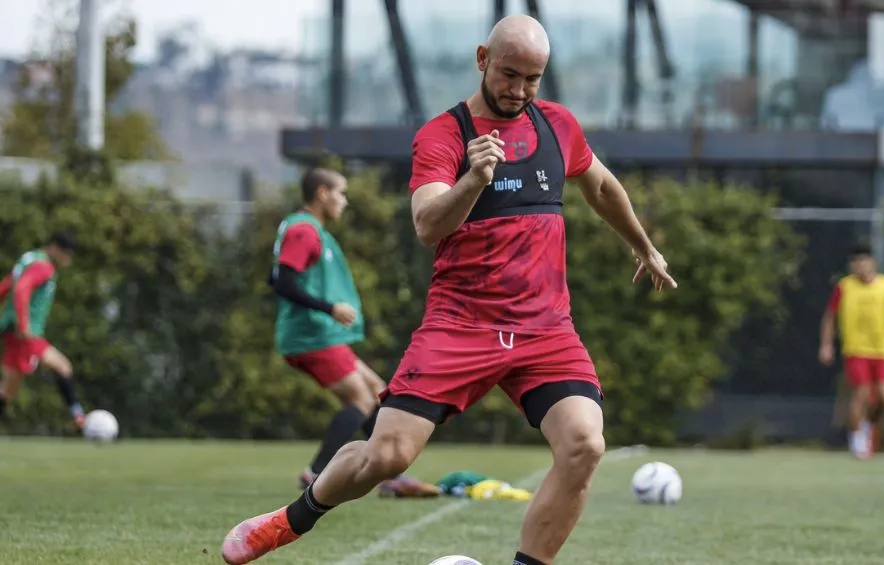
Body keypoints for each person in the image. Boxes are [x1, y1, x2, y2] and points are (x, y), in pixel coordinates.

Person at [220, 15, 675, 565]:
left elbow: (600, 184)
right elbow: (427, 224)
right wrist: (473, 180)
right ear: (483, 59)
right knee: (386, 456)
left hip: (545, 330)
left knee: (585, 445)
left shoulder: (557, 125)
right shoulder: (444, 135)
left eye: (534, 79)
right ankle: (288, 521)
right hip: (460, 326)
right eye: (510, 75)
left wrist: (643, 245)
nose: (520, 91)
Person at [269, 167, 386, 488]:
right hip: (312, 336)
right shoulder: (304, 231)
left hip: (320, 334)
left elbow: (275, 276)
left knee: (377, 391)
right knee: (361, 401)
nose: (344, 201)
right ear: (322, 193)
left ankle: (389, 471)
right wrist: (329, 308)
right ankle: (316, 473)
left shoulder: (304, 228)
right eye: (341, 193)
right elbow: (283, 282)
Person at [819, 242, 884, 459]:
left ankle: (869, 426)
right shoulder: (845, 287)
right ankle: (857, 437)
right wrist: (826, 344)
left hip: (882, 350)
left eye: (863, 260)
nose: (859, 265)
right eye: (855, 262)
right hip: (856, 350)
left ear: (873, 263)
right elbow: (830, 317)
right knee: (860, 393)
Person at [0, 231, 84, 428]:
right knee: (63, 367)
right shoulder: (44, 266)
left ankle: (78, 416)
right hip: (26, 333)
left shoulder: (29, 259)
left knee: (8, 389)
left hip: (14, 329)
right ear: (55, 248)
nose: (69, 259)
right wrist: (23, 324)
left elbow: (6, 285)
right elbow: (21, 288)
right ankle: (79, 417)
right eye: (67, 253)